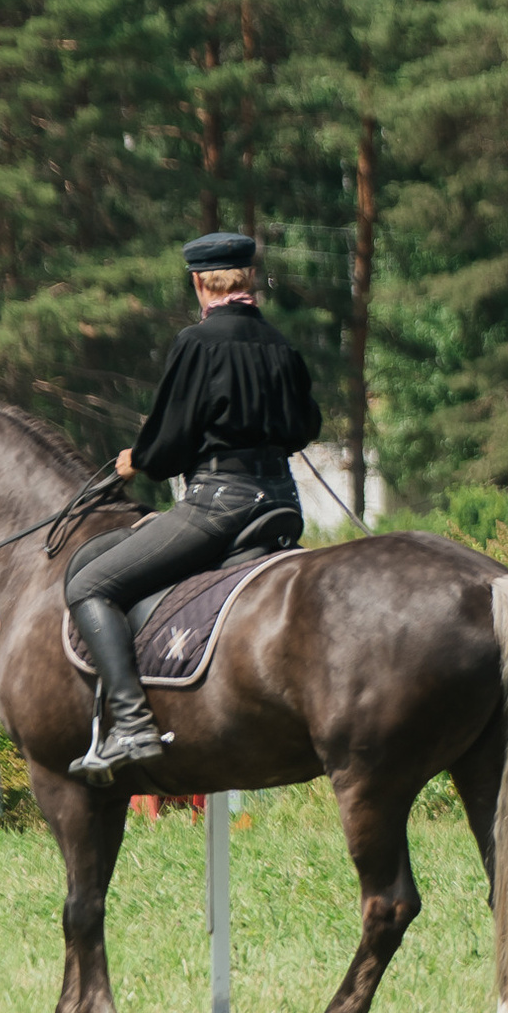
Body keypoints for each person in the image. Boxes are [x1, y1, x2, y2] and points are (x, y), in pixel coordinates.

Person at [62, 233, 321, 783]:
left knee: (90, 585)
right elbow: (305, 428)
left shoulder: (197, 343)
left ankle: (131, 723)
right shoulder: (281, 344)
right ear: (248, 279)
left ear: (200, 283)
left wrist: (140, 460)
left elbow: (170, 440)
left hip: (217, 506)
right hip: (280, 505)